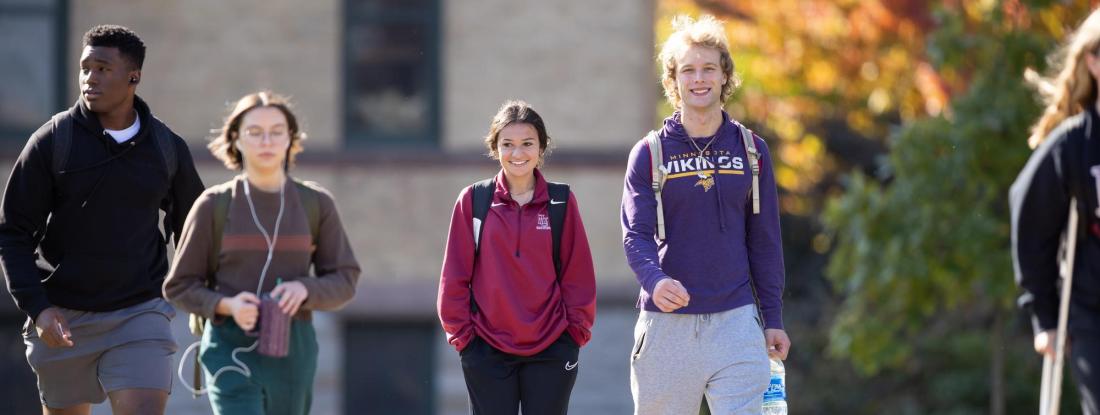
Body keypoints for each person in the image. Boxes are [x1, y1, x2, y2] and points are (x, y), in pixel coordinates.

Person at [0, 25, 205, 415]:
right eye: (85, 68)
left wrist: (198, 295)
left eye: (102, 69)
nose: (89, 79)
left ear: (133, 76)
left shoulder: (165, 148)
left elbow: (194, 228)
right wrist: (38, 308)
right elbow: (12, 233)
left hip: (140, 312)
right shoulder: (52, 141)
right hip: (63, 318)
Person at [620, 15, 791, 414]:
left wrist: (773, 317)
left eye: (709, 69)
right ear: (673, 80)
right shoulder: (649, 154)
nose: (699, 79)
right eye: (689, 70)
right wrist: (654, 279)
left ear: (725, 75)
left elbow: (764, 242)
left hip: (736, 322)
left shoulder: (752, 151)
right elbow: (635, 234)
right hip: (667, 324)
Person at [163, 91, 360, 415]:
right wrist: (227, 305)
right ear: (236, 140)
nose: (266, 141)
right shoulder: (214, 205)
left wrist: (305, 289)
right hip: (228, 348)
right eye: (254, 132)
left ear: (290, 139)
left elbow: (345, 279)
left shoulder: (316, 203)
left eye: (276, 131)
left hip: (293, 349)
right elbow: (178, 286)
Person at [437, 100, 597, 415]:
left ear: (541, 148)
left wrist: (573, 333)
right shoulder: (474, 201)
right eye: (507, 144)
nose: (518, 153)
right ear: (495, 148)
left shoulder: (560, 202)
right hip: (486, 348)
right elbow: (454, 276)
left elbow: (577, 275)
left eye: (527, 144)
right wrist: (465, 340)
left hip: (552, 347)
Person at [1011, 9, 1100, 415]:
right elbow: (1032, 225)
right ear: (1093, 62)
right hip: (1091, 310)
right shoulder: (1073, 145)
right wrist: (1045, 316)